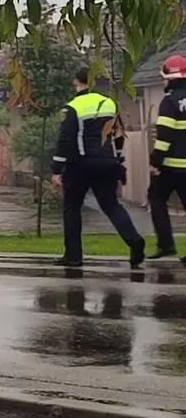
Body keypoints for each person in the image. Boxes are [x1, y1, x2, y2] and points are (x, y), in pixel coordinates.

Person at [50, 67, 146, 268]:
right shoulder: (109, 104)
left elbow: (65, 140)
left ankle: (73, 256)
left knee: (72, 207)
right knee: (111, 205)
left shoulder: (73, 107)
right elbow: (118, 136)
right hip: (107, 162)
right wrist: (118, 162)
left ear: (77, 82)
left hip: (80, 165)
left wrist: (57, 170)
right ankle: (133, 239)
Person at [146, 55, 186, 261]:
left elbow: (164, 136)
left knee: (156, 197)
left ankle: (166, 244)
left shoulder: (170, 102)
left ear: (170, 78)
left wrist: (155, 162)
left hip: (172, 167)